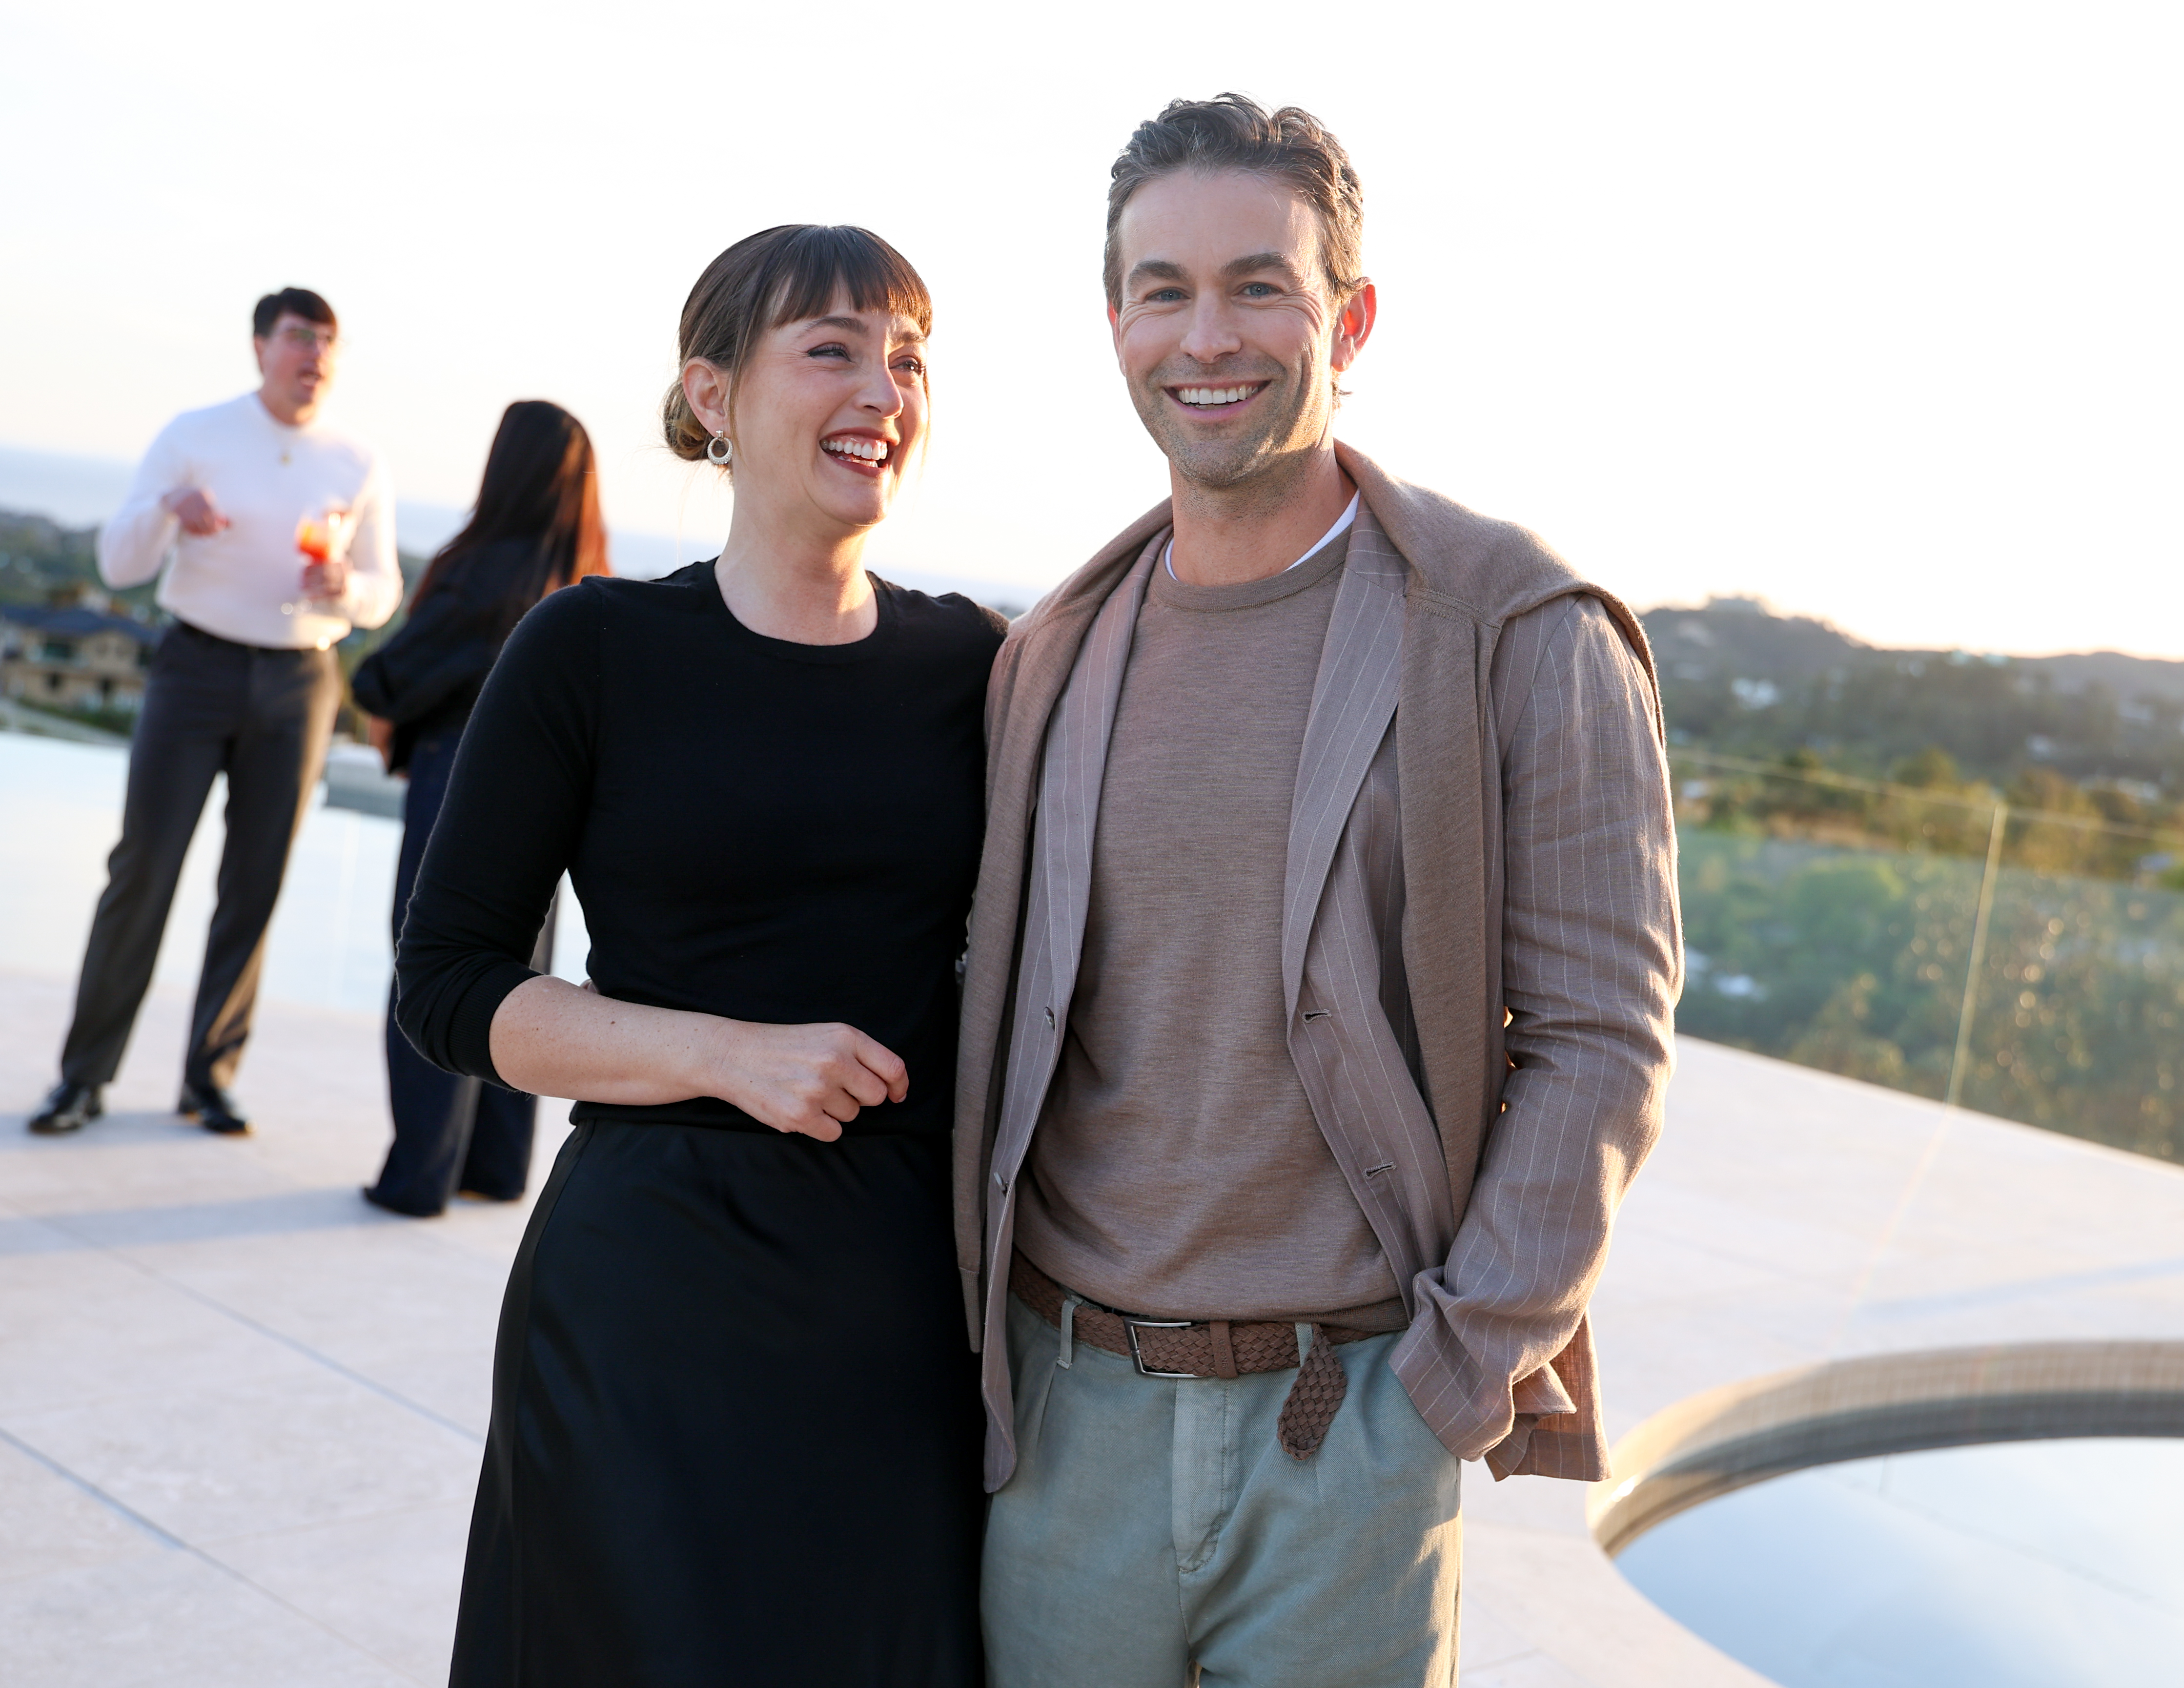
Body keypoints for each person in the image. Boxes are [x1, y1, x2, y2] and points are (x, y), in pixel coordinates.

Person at [958, 96, 1684, 1686]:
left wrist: (1447, 1378)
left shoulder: (1515, 628)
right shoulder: (1050, 651)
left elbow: (1599, 1041)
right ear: (1114, 322)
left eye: (1256, 285)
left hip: (1345, 1428)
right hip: (1063, 1421)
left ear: (1347, 320)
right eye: (1161, 289)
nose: (1205, 336)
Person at [394, 226, 1000, 1687]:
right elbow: (450, 985)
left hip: (901, 1311)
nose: (883, 391)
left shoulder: (980, 669)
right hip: (641, 1303)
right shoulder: (590, 648)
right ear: (711, 393)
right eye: (832, 350)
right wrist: (728, 1054)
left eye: (909, 359)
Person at [29, 287, 401, 1137]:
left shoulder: (357, 459)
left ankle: (211, 1078)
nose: (316, 355)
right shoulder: (194, 435)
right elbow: (119, 564)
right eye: (300, 337)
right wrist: (169, 511)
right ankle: (83, 1078)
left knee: (256, 883)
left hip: (302, 679)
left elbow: (382, 592)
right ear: (261, 346)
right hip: (194, 667)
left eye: (329, 342)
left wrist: (347, 586)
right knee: (143, 869)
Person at [351, 400, 611, 1217]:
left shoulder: (479, 572)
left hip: (456, 780)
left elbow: (385, 681)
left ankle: (418, 1175)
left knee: (435, 969)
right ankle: (495, 1166)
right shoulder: (587, 585)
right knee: (519, 978)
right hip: (554, 801)